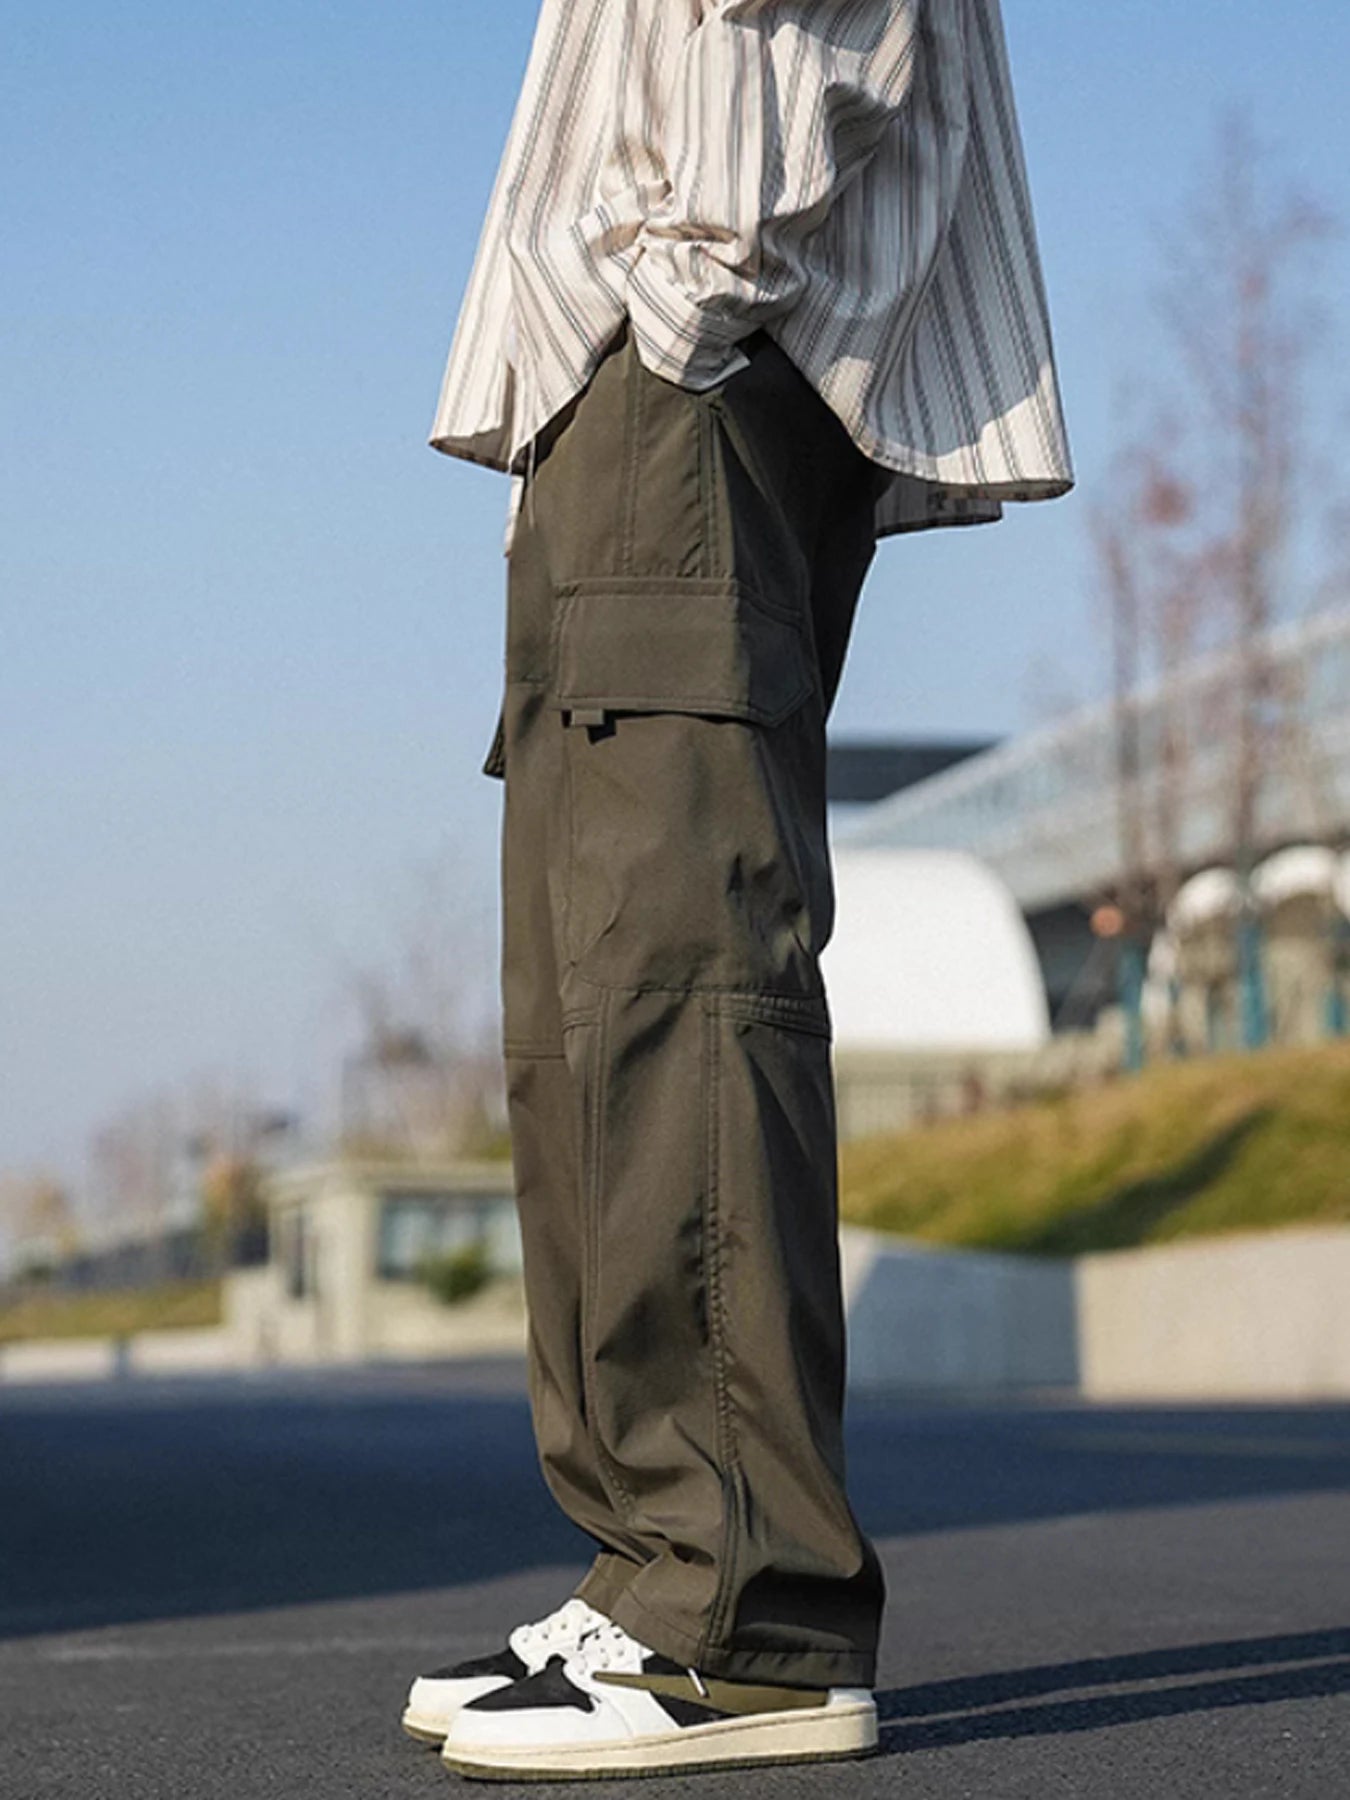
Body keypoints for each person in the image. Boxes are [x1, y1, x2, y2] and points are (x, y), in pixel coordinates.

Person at [405, 0, 1072, 1780]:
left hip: (682, 371)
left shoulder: (688, 328)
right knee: (583, 1025)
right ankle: (652, 1570)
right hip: (626, 396)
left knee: (679, 993)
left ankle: (742, 1618)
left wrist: (679, 299)